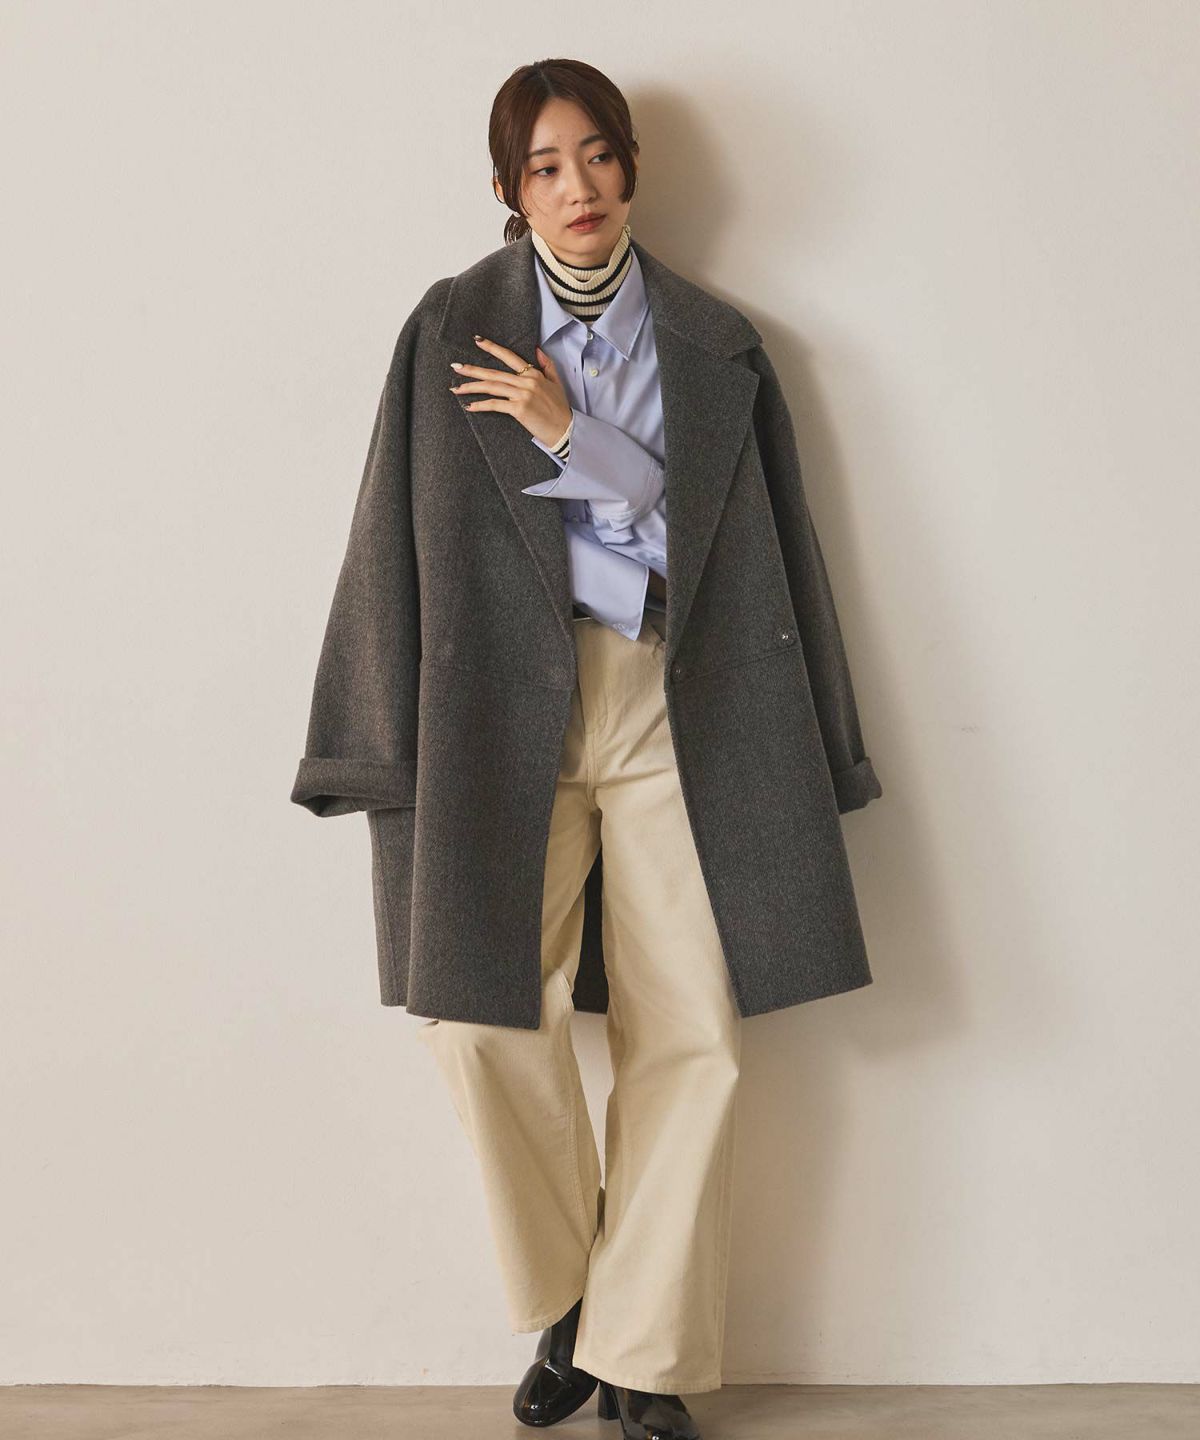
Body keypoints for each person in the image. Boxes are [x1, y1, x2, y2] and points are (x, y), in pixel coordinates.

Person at [292, 56, 882, 1440]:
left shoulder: (714, 343)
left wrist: (576, 436)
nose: (580, 187)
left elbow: (743, 552)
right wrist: (369, 735)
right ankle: (577, 1292)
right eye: (547, 166)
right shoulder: (452, 327)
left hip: (678, 698)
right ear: (510, 189)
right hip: (503, 708)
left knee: (697, 1034)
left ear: (632, 168)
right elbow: (390, 531)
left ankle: (645, 1353)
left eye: (601, 156)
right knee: (476, 1019)